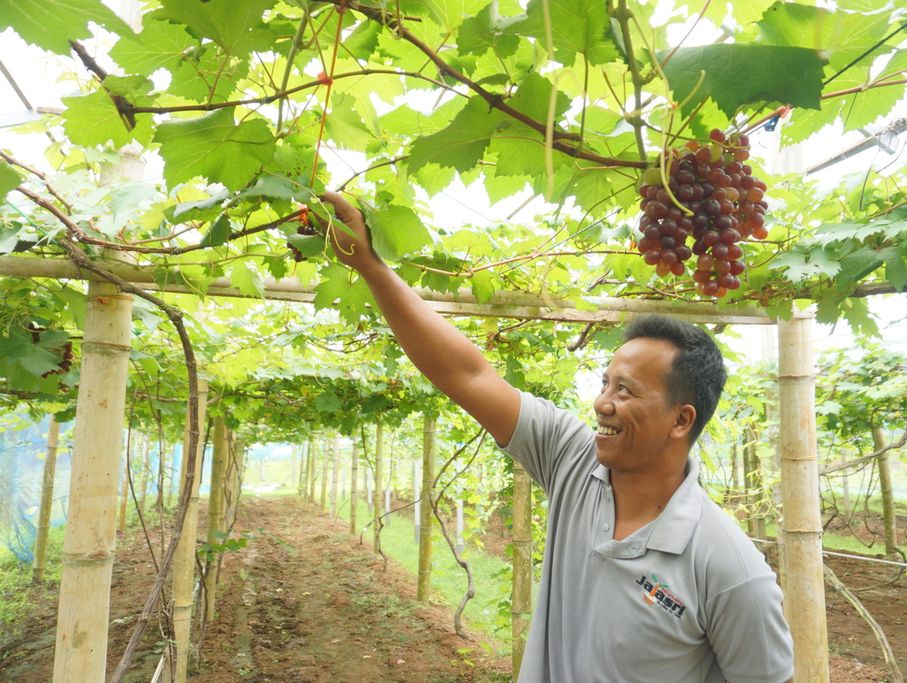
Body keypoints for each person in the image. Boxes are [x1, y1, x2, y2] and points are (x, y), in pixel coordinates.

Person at [317, 192, 794, 682]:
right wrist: (371, 267)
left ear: (680, 420)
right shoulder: (574, 461)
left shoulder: (732, 570)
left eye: (624, 391)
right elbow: (469, 377)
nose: (601, 403)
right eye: (604, 384)